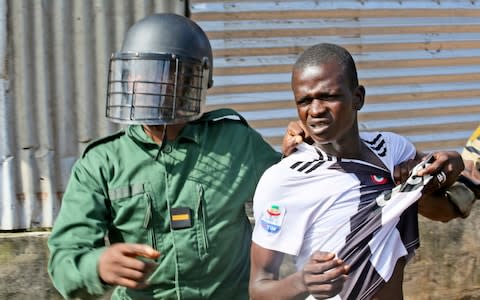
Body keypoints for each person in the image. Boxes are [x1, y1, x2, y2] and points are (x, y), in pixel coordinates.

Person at [47, 13, 281, 300]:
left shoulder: (236, 144)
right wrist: (97, 266)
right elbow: (63, 263)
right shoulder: (102, 163)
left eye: (162, 71)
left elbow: (297, 187)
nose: (145, 83)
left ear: (192, 79)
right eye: (137, 71)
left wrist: (305, 144)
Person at [249, 43, 465, 300]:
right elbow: (259, 288)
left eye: (328, 96)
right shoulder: (284, 179)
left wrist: (453, 162)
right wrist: (301, 282)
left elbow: (441, 204)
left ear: (358, 98)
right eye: (305, 100)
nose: (315, 110)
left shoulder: (392, 150)